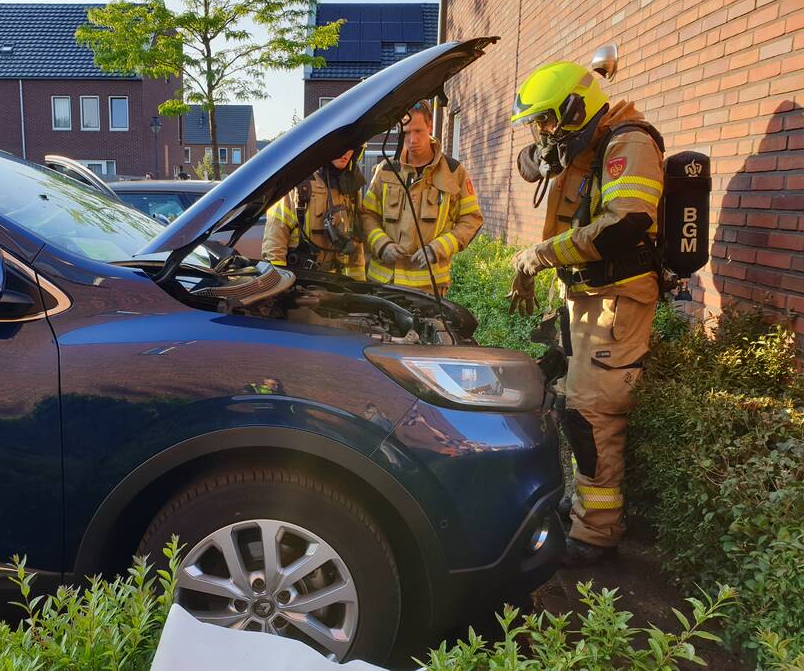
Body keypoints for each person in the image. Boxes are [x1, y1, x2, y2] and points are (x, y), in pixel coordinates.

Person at [507, 60, 665, 567]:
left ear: (576, 111)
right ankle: (583, 509)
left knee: (593, 418)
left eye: (547, 120)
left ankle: (597, 534)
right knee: (571, 409)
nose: (543, 132)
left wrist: (543, 255)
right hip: (588, 303)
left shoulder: (629, 145)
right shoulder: (588, 147)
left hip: (617, 307)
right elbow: (537, 166)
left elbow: (624, 225)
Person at [360, 100, 483, 295]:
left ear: (430, 126)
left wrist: (439, 248)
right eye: (407, 132)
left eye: (418, 131)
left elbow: (471, 219)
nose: (412, 140)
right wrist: (382, 244)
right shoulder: (386, 170)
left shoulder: (453, 172)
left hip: (429, 289)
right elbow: (367, 214)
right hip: (384, 283)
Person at [262, 148, 366, 280]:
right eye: (342, 147)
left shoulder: (352, 190)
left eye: (351, 148)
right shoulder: (298, 182)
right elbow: (275, 240)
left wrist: (358, 286)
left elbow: (356, 248)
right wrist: (278, 284)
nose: (346, 153)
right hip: (300, 281)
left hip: (335, 284)